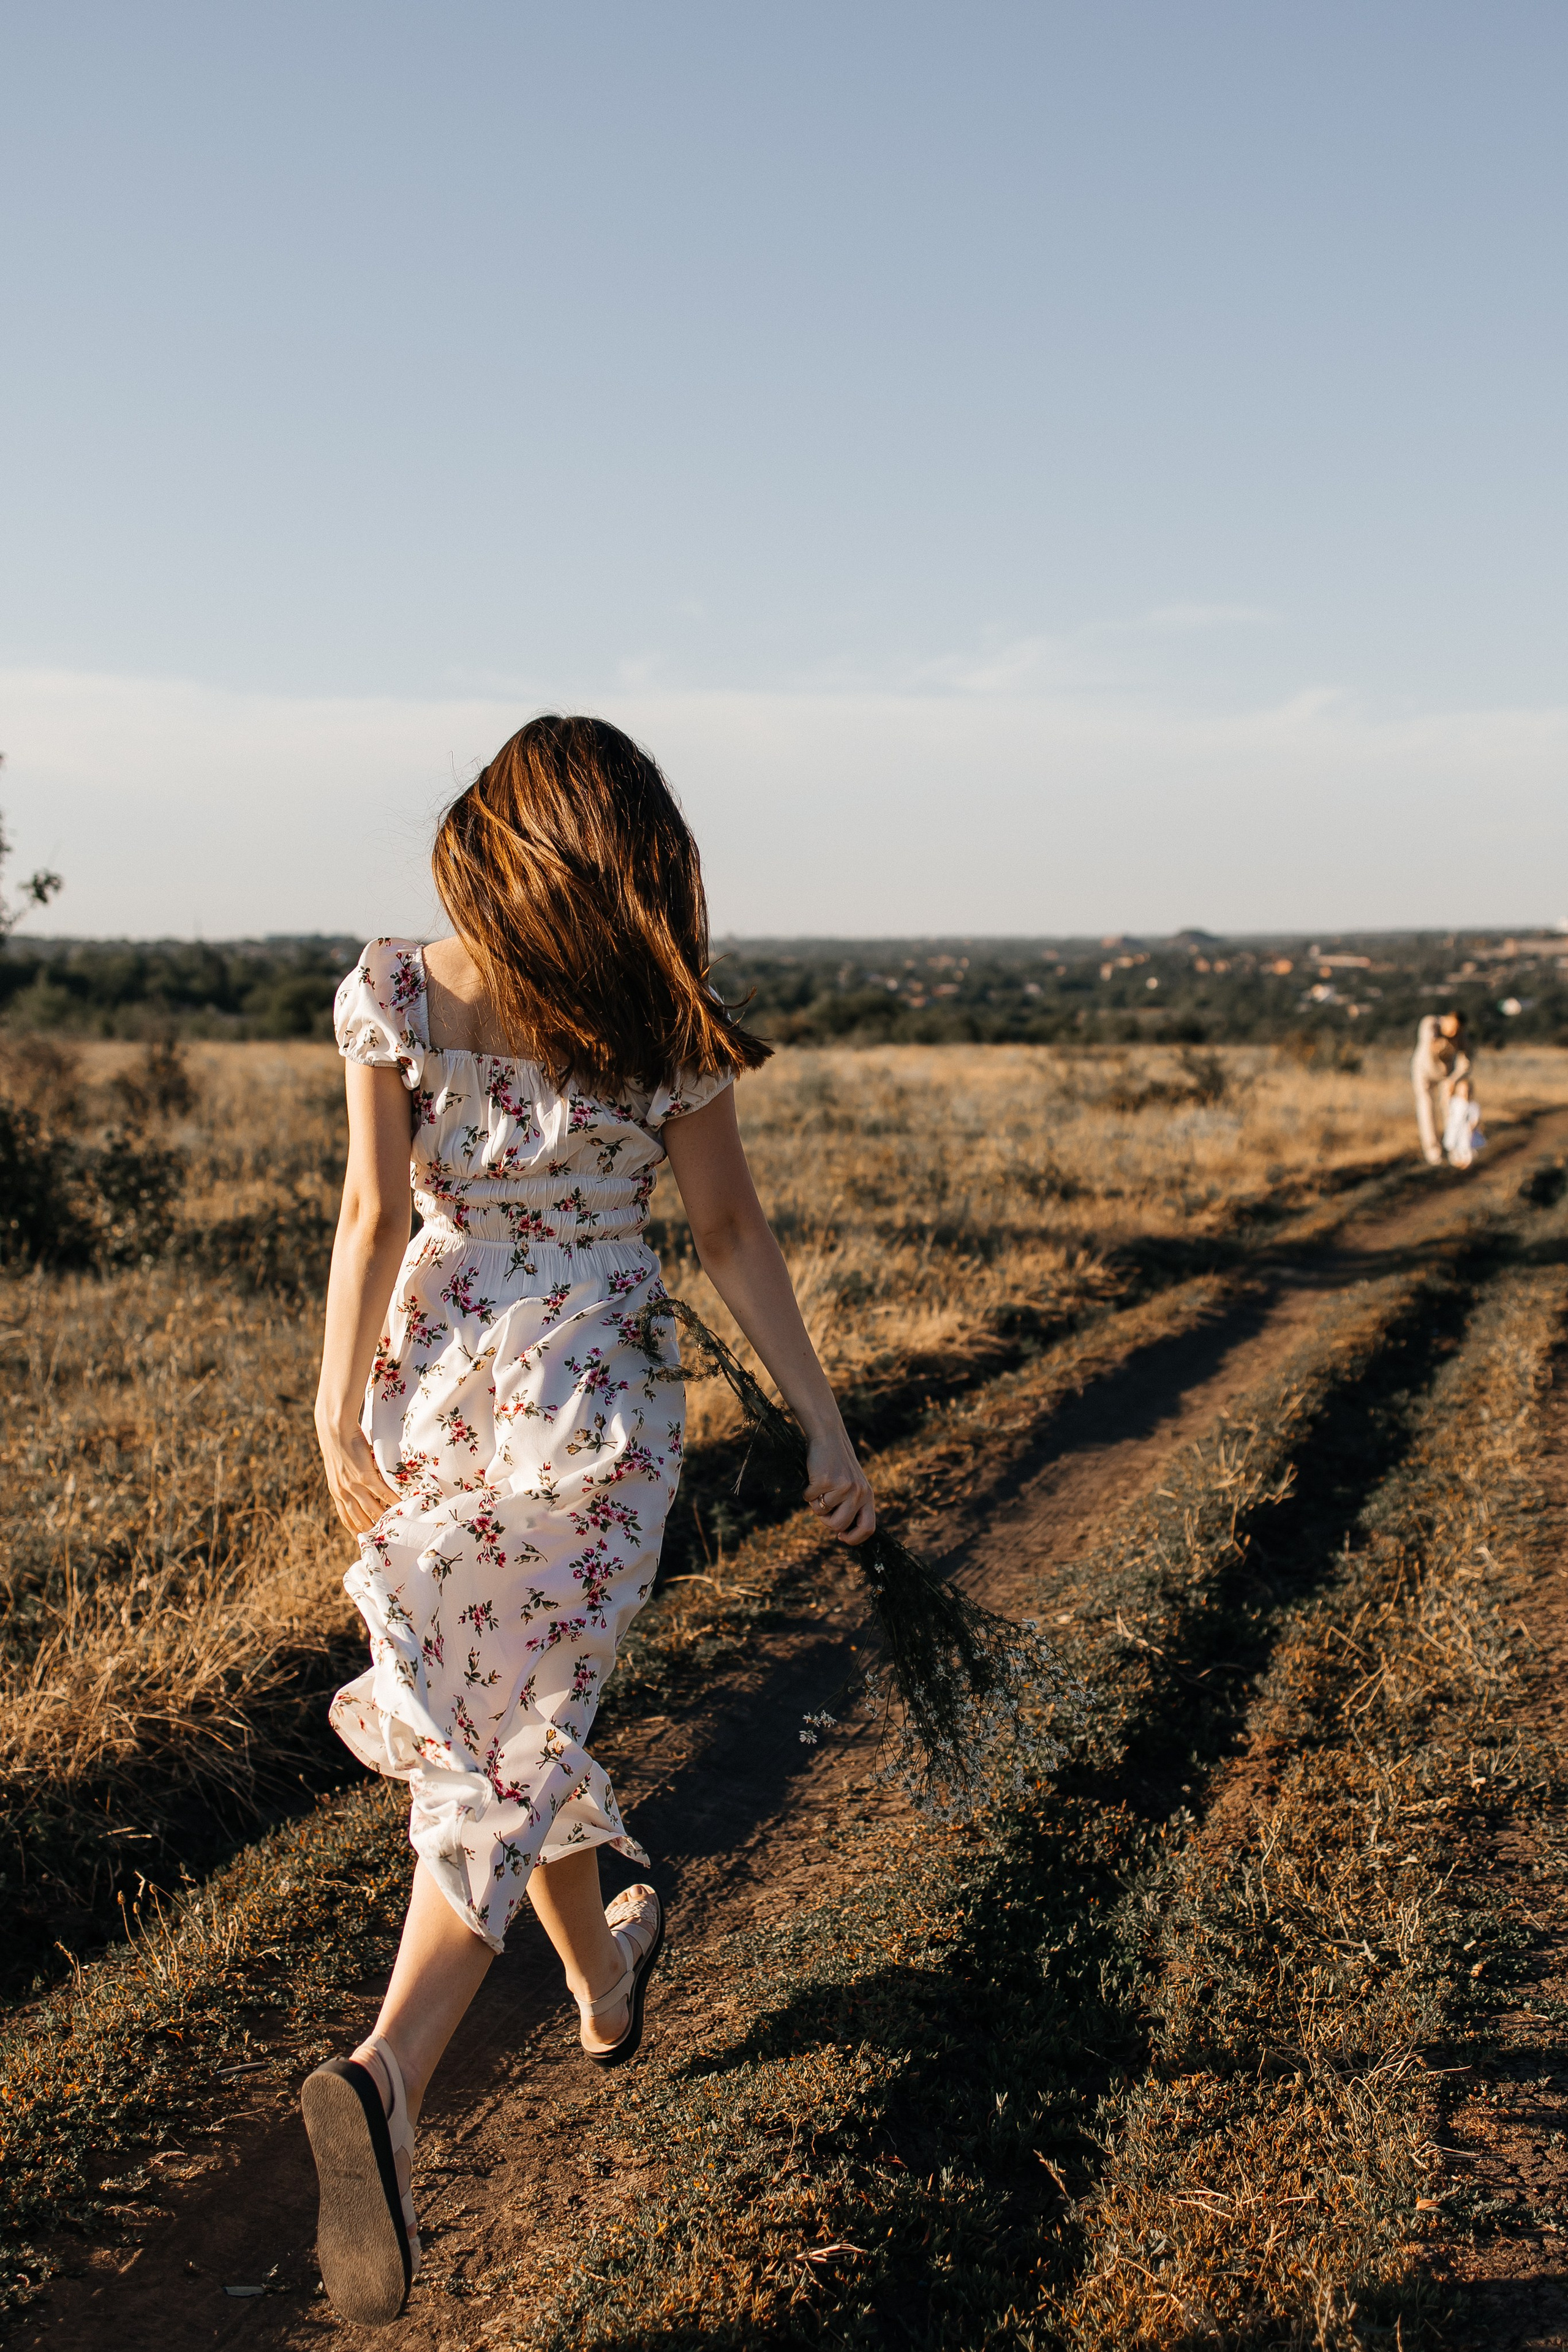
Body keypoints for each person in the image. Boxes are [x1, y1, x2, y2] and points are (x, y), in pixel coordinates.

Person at [302, 716, 876, 2327]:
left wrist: (333, 1409)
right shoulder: (657, 1017)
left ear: (496, 841)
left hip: (431, 1388)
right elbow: (729, 1230)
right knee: (520, 1717)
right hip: (596, 1400)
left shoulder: (397, 990)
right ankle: (393, 2076)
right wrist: (823, 1422)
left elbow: (369, 1214)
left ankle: (602, 1979)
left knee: (500, 1705)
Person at [1411, 1009, 1471, 1166]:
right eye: (1453, 1027)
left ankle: (1454, 1148)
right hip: (1423, 1072)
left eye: (1458, 1030)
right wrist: (1446, 1044)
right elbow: (1431, 1045)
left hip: (1446, 1076)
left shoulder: (1461, 1036)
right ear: (1447, 1019)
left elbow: (1466, 1063)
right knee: (1426, 1109)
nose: (1454, 1032)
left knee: (1451, 1110)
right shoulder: (1430, 1023)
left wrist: (1454, 1080)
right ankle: (1433, 1153)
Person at [1442, 1073, 1485, 1169]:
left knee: (1467, 1147)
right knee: (1454, 1147)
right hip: (1455, 1129)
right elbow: (1448, 1098)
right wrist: (1450, 1085)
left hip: (1467, 1131)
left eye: (1467, 1091)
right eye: (1463, 1091)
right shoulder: (1456, 1102)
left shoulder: (1473, 1106)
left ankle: (1467, 1163)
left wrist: (1472, 1127)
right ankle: (1456, 1162)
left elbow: (1476, 1118)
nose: (1465, 1094)